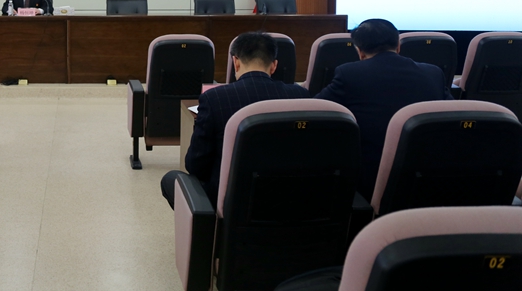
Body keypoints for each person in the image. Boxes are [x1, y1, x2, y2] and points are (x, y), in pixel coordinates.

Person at [161, 32, 309, 208]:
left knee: (170, 180)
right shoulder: (300, 96)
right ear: (274, 65)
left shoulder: (215, 98)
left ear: (236, 62)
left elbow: (195, 165)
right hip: (291, 198)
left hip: (232, 203)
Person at [315, 18, 452, 200]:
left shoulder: (349, 74)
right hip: (429, 177)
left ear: (360, 51)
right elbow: (452, 114)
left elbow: (317, 109)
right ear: (398, 45)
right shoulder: (433, 73)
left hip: (370, 179)